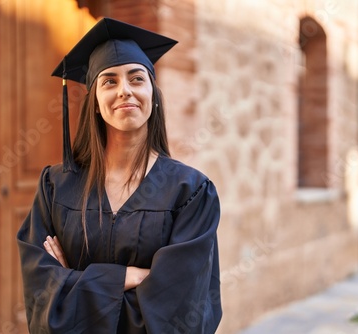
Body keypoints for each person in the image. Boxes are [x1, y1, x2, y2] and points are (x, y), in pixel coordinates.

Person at [16, 17, 222, 333]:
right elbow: (42, 299)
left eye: (137, 79)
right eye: (109, 81)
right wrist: (126, 278)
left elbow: (179, 311)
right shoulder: (55, 187)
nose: (124, 91)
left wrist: (73, 281)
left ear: (153, 93)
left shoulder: (190, 192)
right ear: (96, 103)